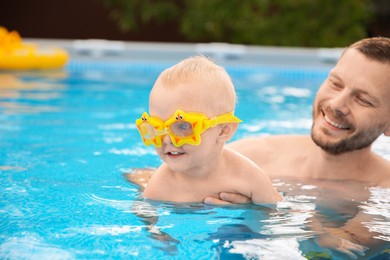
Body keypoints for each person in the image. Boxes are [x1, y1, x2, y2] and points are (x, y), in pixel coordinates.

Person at [127, 37, 390, 258]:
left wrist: (255, 210)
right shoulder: (255, 153)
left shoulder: (386, 193)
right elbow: (145, 176)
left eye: (363, 99)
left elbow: (339, 251)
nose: (337, 104)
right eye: (335, 83)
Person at [133, 56, 281, 204]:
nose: (166, 139)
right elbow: (148, 220)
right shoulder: (160, 186)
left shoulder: (247, 176)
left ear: (224, 131)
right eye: (156, 127)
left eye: (183, 126)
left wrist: (250, 211)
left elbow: (276, 214)